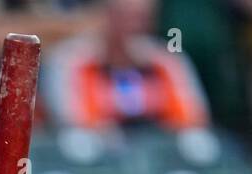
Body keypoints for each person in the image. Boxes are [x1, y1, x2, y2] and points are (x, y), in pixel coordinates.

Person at [43, 0, 209, 131]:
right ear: (107, 16)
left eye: (141, 18)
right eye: (125, 16)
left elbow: (193, 120)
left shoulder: (167, 60)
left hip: (158, 157)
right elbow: (71, 123)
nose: (133, 26)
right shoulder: (71, 60)